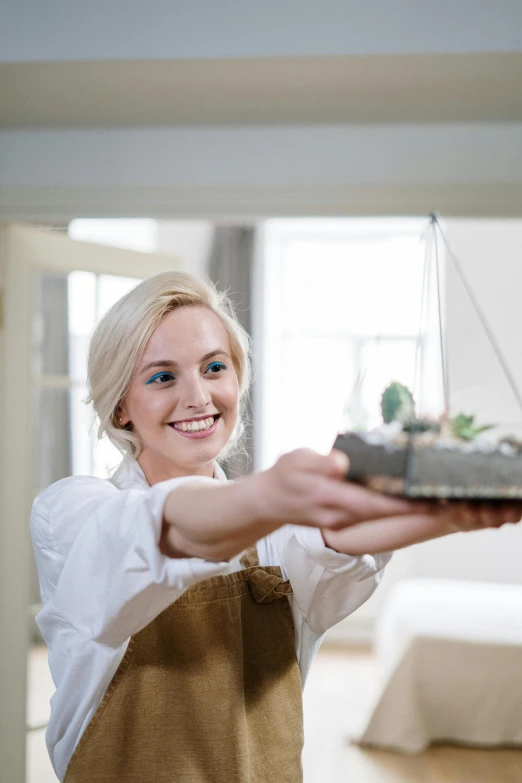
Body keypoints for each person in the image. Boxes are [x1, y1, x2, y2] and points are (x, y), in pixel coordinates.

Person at [31, 271, 522, 783]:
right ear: (120, 407)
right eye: (162, 377)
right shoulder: (70, 514)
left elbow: (333, 536)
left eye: (214, 367)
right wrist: (272, 494)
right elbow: (154, 532)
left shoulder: (269, 534)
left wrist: (454, 511)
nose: (199, 397)